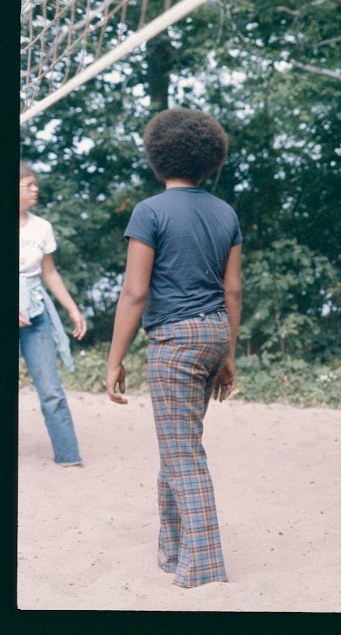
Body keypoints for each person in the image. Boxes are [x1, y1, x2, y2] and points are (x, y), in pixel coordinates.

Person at [105, 108, 242, 587]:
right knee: (178, 445)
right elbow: (233, 291)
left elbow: (134, 292)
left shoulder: (150, 212)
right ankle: (172, 550)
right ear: (210, 158)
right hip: (213, 335)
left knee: (183, 455)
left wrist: (114, 358)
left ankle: (202, 567)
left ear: (157, 156)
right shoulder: (225, 212)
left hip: (175, 341)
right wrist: (228, 355)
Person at [18, 161, 88, 467]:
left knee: (50, 390)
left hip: (37, 311)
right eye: (29, 184)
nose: (36, 189)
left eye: (36, 184)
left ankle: (68, 456)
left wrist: (73, 310)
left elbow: (50, 273)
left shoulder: (41, 227)